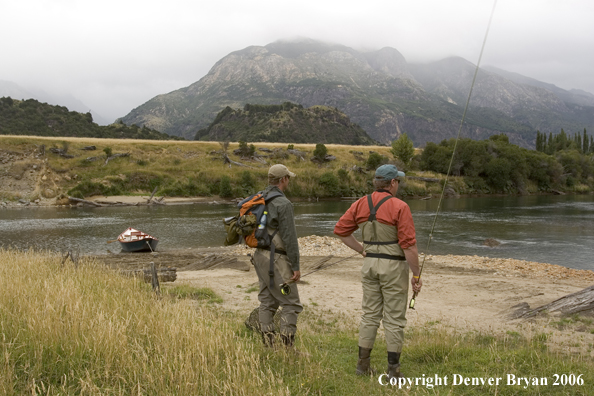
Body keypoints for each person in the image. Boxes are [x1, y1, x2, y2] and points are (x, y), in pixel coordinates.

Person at [334, 164, 422, 378]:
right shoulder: (400, 206)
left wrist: (362, 250)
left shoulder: (360, 203)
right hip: (393, 267)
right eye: (397, 181)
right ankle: (394, 372)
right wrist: (416, 276)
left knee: (370, 315)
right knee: (394, 319)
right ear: (392, 183)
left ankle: (362, 367)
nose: (398, 185)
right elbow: (409, 246)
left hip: (370, 265)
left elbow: (341, 231)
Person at [252, 164, 302, 348]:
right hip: (276, 261)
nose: (289, 181)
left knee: (267, 301)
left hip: (259, 257)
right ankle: (288, 350)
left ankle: (269, 346)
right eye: (288, 178)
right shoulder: (283, 203)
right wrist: (295, 266)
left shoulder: (259, 197)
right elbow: (290, 238)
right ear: (283, 180)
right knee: (291, 304)